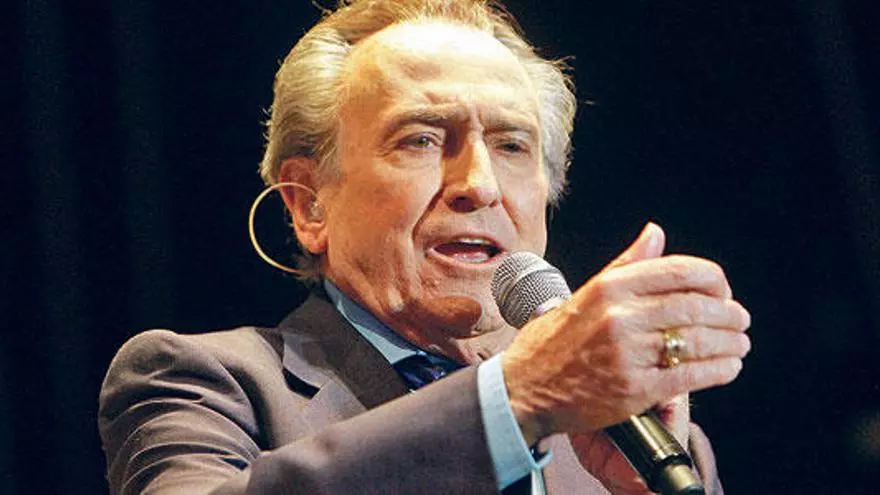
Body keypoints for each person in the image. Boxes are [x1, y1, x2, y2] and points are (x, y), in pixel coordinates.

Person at [98, 1, 751, 493]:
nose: (480, 185)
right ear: (308, 202)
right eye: (421, 139)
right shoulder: (201, 384)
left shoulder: (645, 446)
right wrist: (513, 401)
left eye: (512, 145)